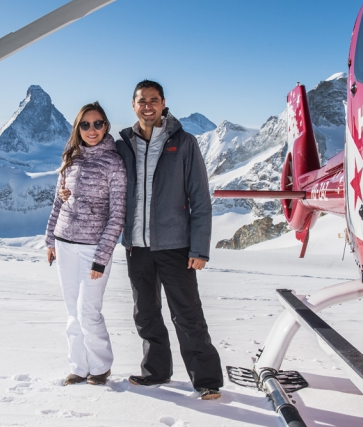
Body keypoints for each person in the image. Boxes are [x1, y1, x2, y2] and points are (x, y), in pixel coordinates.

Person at [117, 80, 222, 399]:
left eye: (153, 99)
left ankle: (206, 380)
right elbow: (97, 173)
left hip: (176, 246)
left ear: (163, 103)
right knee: (145, 314)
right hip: (137, 247)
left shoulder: (184, 142)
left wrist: (199, 248)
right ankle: (156, 372)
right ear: (133, 105)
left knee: (187, 314)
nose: (147, 105)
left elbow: (200, 199)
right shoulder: (123, 144)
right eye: (141, 100)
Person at [45, 101, 126, 387]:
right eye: (85, 125)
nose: (92, 130)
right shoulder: (71, 157)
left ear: (106, 126)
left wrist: (102, 256)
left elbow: (118, 214)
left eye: (98, 124)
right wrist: (50, 240)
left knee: (88, 311)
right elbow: (59, 201)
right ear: (78, 128)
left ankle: (101, 366)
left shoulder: (114, 162)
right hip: (64, 242)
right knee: (71, 310)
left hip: (93, 248)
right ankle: (79, 367)